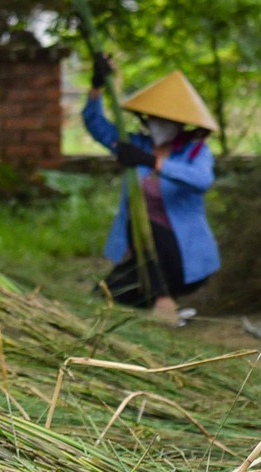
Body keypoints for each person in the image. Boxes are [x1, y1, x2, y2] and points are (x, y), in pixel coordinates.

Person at [82, 61, 219, 327]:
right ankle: (163, 304)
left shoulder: (195, 152)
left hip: (183, 260)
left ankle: (165, 298)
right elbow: (96, 125)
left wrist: (153, 162)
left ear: (181, 123)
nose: (158, 124)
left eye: (166, 120)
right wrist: (96, 87)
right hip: (146, 258)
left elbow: (202, 180)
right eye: (154, 118)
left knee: (143, 222)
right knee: (103, 297)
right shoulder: (136, 144)